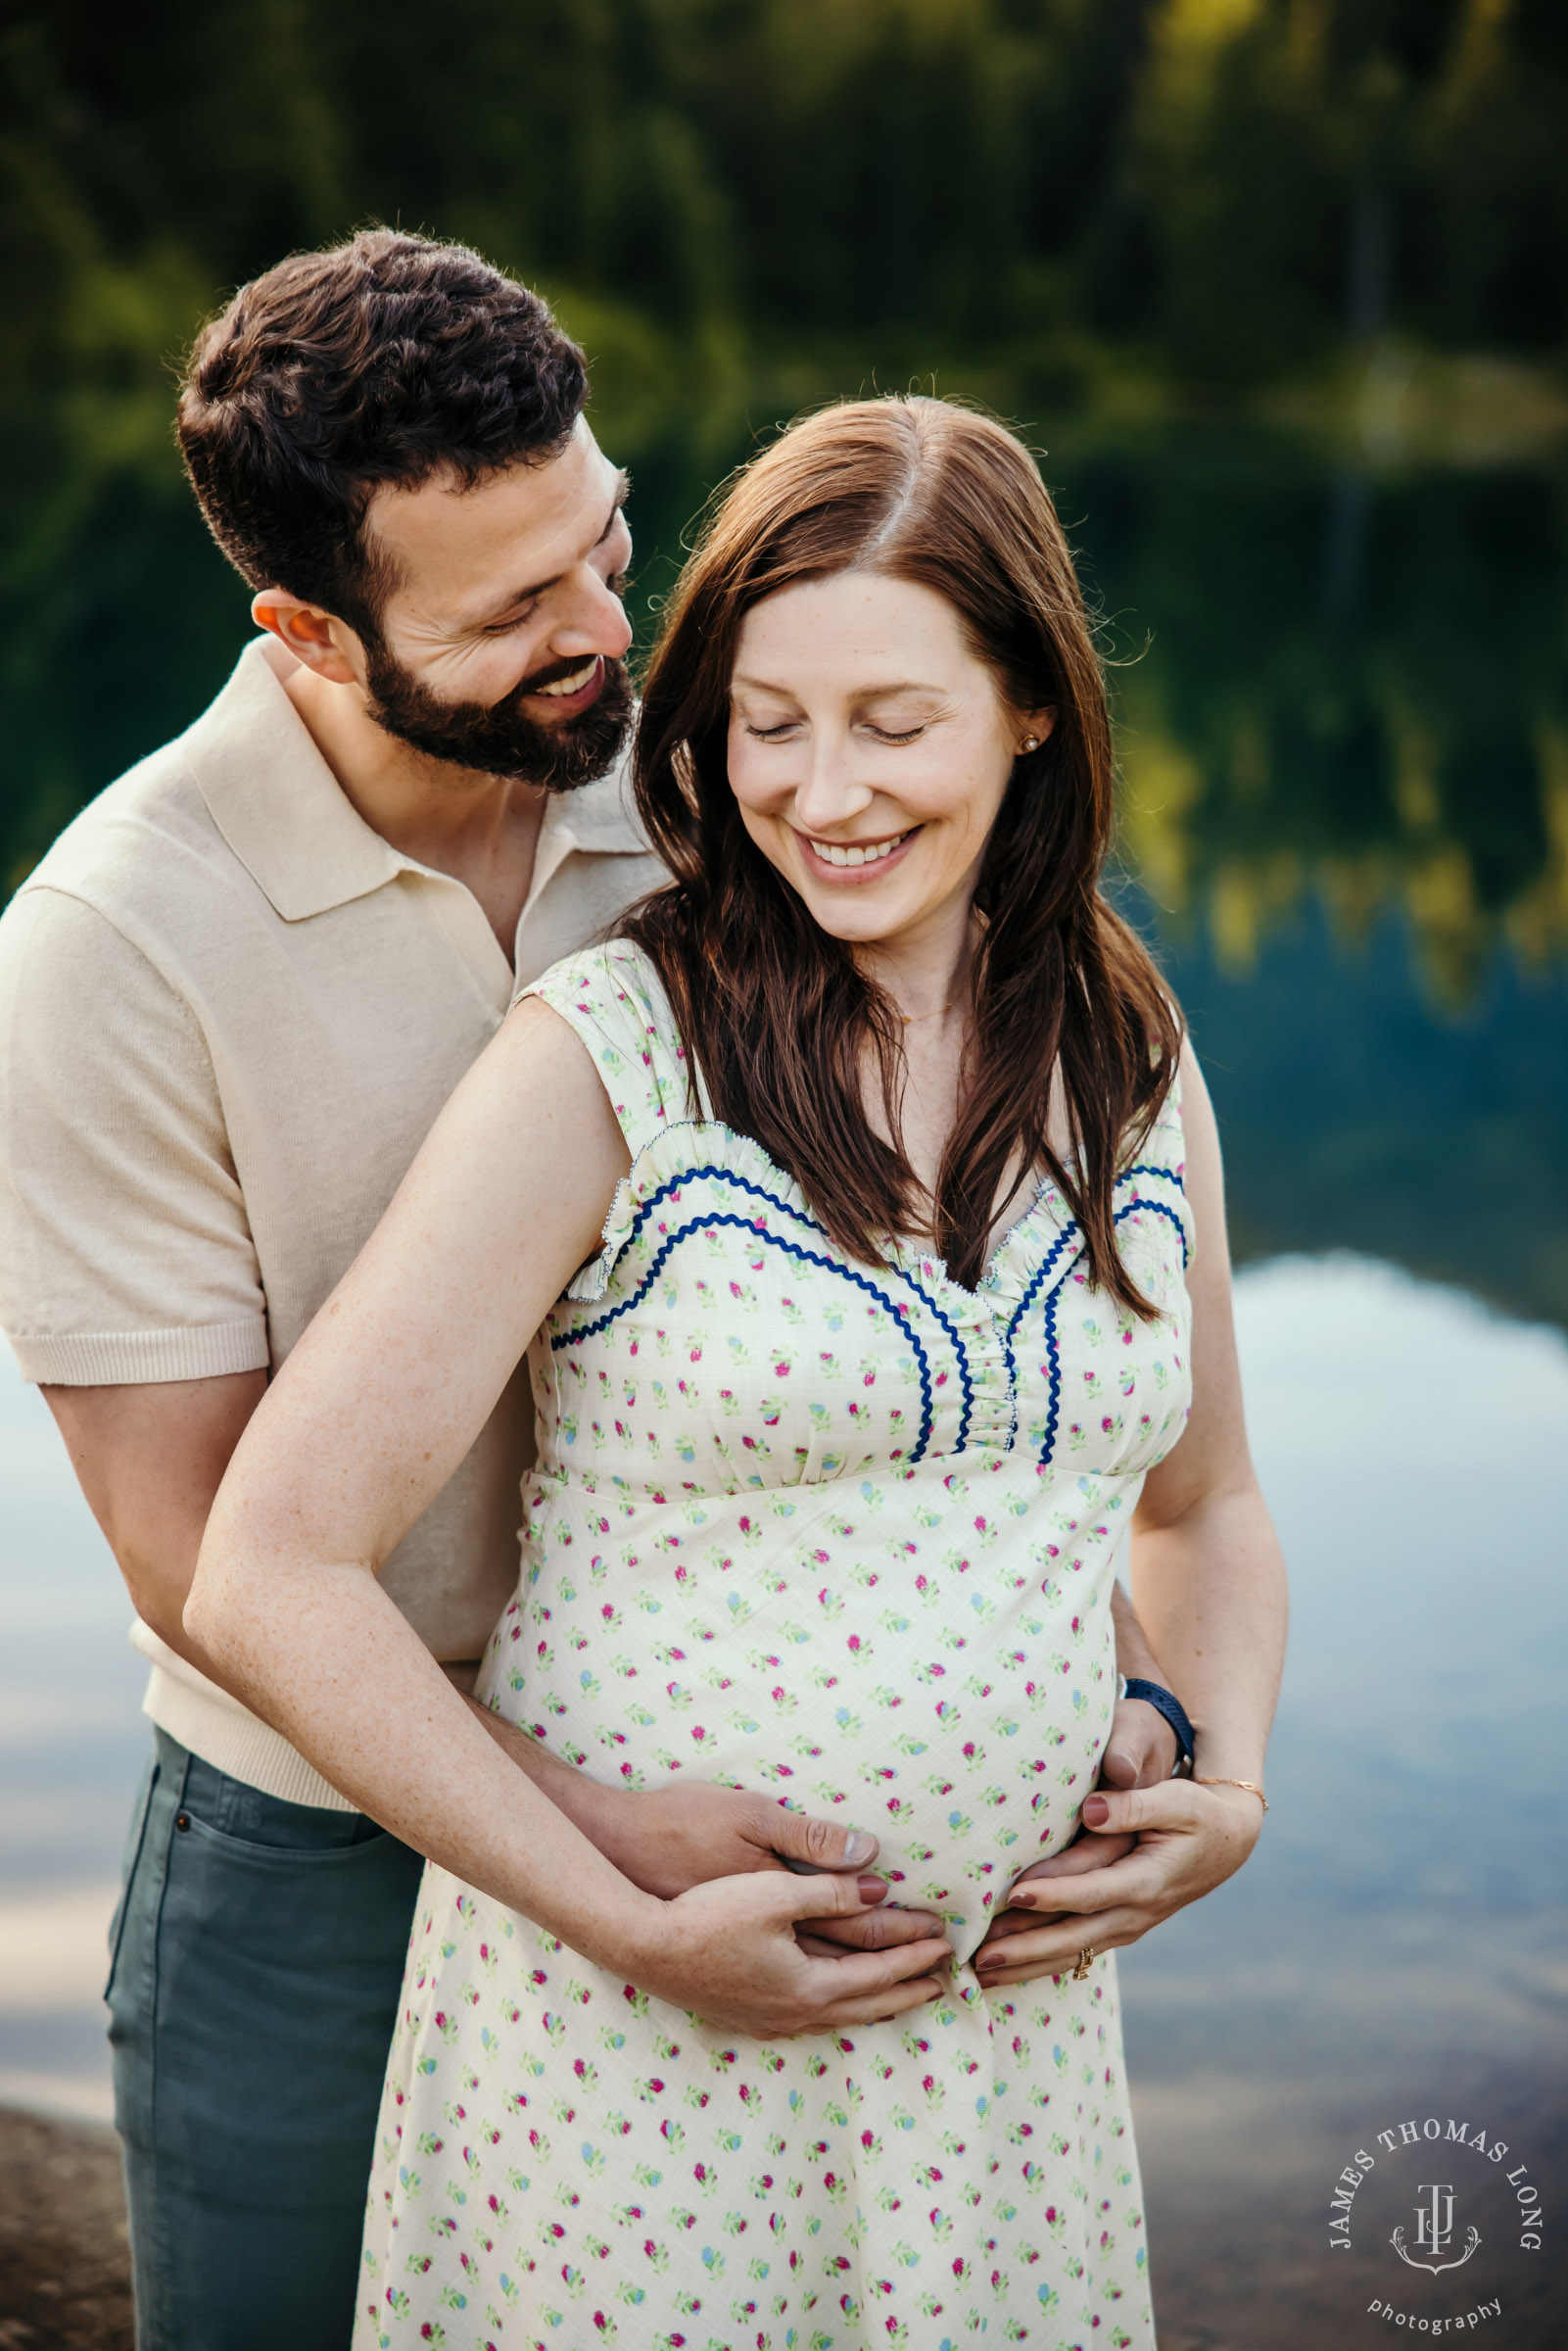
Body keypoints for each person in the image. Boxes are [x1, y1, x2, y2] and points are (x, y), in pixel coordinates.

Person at [0, 240, 1176, 2348]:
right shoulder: (110, 947)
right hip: (312, 1847)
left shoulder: (700, 788)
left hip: (724, 1828)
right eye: (514, 609)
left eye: (605, 538)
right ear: (307, 629)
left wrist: (1122, 1690)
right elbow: (204, 1557)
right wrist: (595, 1848)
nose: (605, 631)